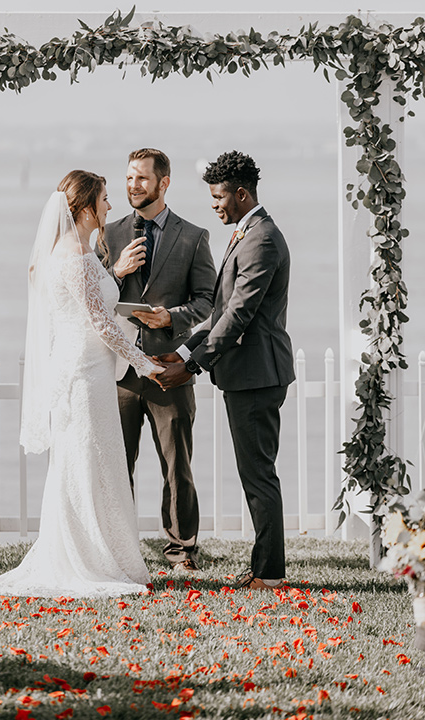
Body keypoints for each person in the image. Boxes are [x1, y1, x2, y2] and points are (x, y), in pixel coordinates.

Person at [0, 170, 164, 598]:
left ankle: (104, 553)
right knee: (88, 466)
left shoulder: (70, 254)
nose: (111, 206)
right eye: (105, 199)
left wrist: (119, 291)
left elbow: (95, 312)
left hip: (84, 368)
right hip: (84, 376)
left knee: (94, 465)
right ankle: (88, 560)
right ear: (87, 207)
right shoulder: (74, 257)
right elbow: (102, 325)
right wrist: (146, 364)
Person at [156, 151, 295, 591]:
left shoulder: (263, 239)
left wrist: (193, 366)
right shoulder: (246, 233)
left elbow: (239, 315)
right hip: (245, 374)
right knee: (254, 472)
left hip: (258, 374)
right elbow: (218, 313)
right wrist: (182, 352)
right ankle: (263, 568)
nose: (214, 205)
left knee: (258, 475)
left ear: (241, 194)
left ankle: (269, 574)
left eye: (218, 197)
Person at [99, 148, 216, 573]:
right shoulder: (107, 235)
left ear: (163, 183)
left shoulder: (193, 235)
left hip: (170, 368)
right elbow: (89, 297)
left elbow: (208, 302)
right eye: (129, 178)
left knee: (176, 466)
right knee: (117, 464)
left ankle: (182, 551)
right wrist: (115, 271)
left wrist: (172, 316)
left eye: (142, 179)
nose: (133, 186)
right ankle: (119, 547)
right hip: (120, 372)